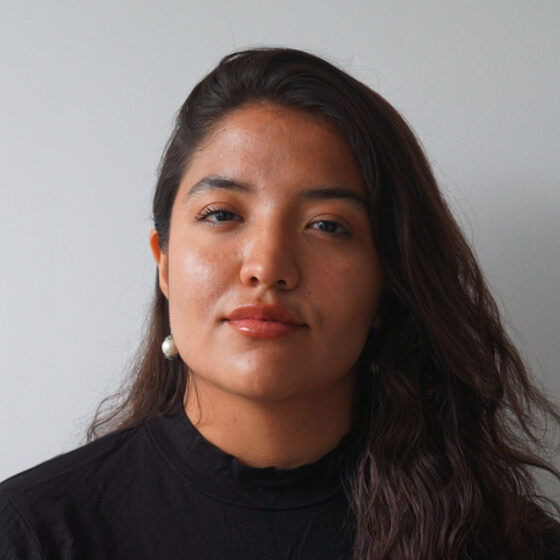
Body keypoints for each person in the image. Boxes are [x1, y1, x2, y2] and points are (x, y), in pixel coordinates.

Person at [1, 47, 559, 560]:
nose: (267, 267)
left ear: (387, 285)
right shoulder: (32, 534)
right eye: (223, 214)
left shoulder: (512, 545)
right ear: (164, 264)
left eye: (327, 225)